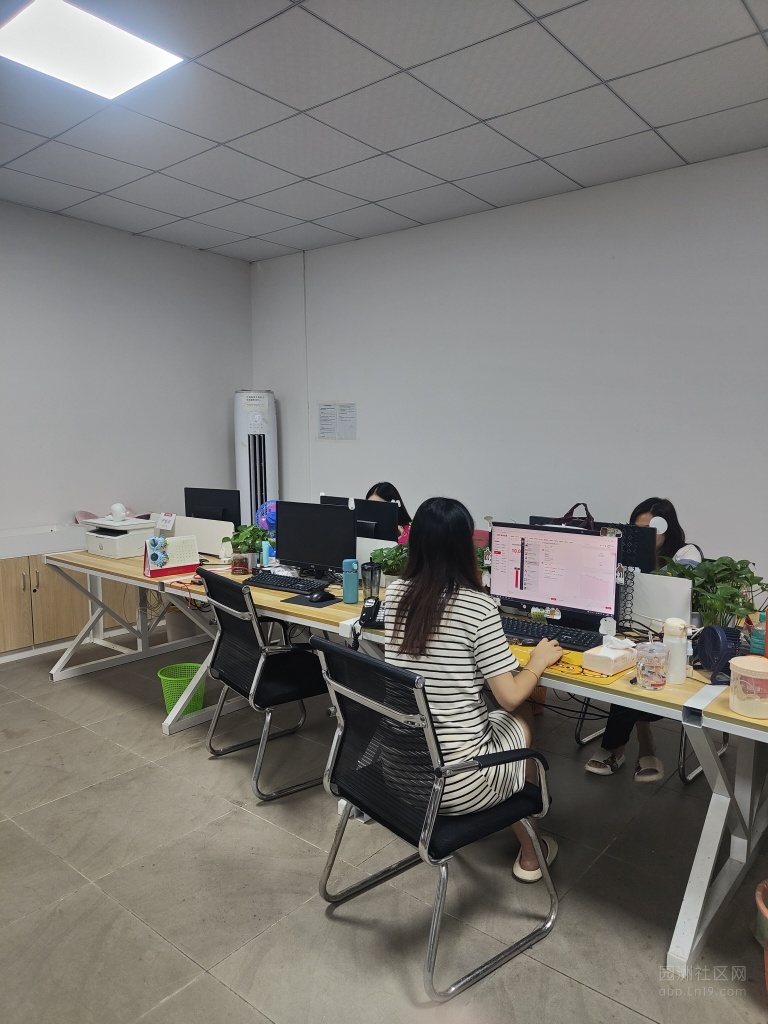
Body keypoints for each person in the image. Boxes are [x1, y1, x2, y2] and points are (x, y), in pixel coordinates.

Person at [384, 496, 563, 881]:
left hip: (401, 776)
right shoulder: (477, 607)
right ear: (466, 547)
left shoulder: (395, 594)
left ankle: (524, 821)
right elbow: (509, 696)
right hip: (456, 787)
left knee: (484, 705)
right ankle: (531, 850)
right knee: (519, 710)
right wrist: (536, 661)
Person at [585, 497, 701, 782]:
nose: (645, 537)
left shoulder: (686, 553)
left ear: (668, 529)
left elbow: (671, 594)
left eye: (652, 530)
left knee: (639, 667)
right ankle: (642, 737)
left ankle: (617, 746)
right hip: (628, 631)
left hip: (672, 638)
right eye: (638, 530)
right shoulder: (625, 551)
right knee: (627, 664)